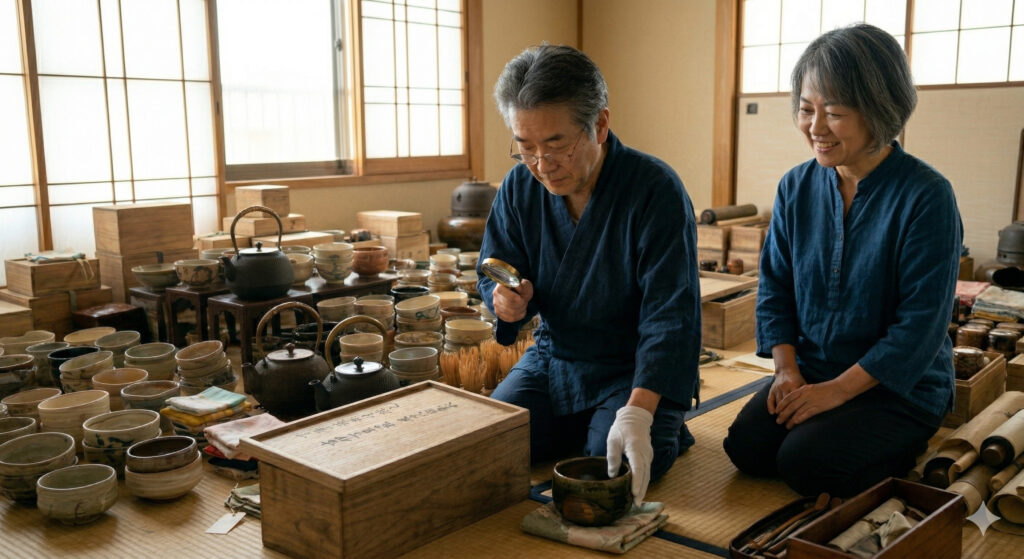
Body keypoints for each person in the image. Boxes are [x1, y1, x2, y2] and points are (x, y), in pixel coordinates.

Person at [722, 24, 963, 498]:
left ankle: (904, 446)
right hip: (814, 367)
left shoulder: (927, 195)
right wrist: (787, 371)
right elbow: (775, 288)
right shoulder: (796, 186)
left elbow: (919, 327)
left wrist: (835, 393)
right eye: (806, 109)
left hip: (897, 387)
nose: (815, 128)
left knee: (806, 464)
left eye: (833, 113)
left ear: (879, 109)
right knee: (747, 448)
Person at [478, 44, 701, 505]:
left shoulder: (655, 189)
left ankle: (657, 421)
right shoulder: (520, 187)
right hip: (556, 358)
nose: (542, 165)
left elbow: (671, 315)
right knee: (489, 443)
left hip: (632, 367)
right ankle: (590, 422)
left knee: (610, 467)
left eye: (557, 144)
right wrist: (505, 302)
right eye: (526, 148)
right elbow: (494, 268)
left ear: (599, 124)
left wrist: (639, 411)